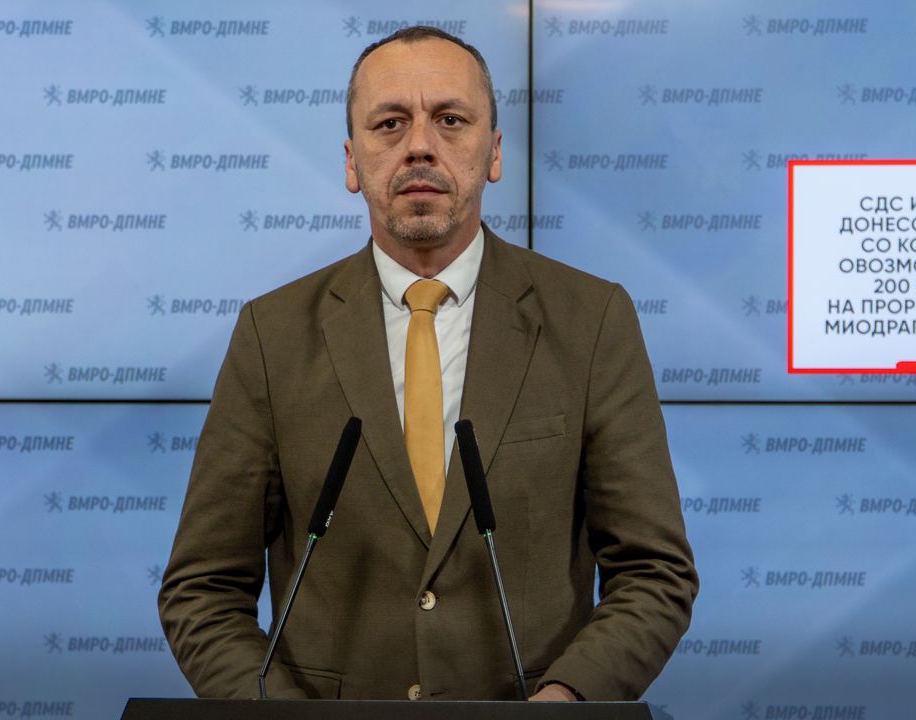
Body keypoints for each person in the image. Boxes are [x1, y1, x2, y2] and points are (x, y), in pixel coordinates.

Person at [158, 26, 697, 702]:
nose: (419, 145)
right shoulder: (272, 335)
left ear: (493, 152)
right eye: (390, 123)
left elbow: (654, 573)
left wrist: (565, 702)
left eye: (450, 119)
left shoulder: (591, 322)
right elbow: (202, 589)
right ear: (352, 162)